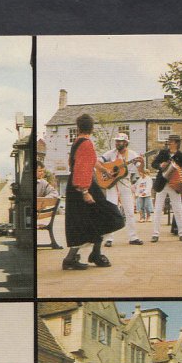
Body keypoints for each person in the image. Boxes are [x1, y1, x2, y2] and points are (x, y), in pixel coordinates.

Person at [61, 114, 125, 270]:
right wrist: (84, 191)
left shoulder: (78, 142)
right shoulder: (86, 143)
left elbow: (88, 161)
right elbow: (81, 168)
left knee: (91, 221)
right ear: (92, 128)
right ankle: (75, 259)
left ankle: (92, 254)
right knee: (109, 216)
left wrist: (105, 170)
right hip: (83, 186)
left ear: (78, 128)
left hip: (79, 185)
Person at [100, 133, 145, 246]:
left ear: (125, 142)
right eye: (116, 141)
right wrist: (106, 170)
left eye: (120, 141)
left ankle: (133, 237)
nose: (117, 143)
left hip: (125, 183)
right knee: (111, 210)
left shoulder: (133, 154)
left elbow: (140, 170)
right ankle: (109, 238)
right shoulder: (111, 153)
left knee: (129, 210)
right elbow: (98, 160)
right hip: (111, 184)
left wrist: (142, 163)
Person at [150, 134, 182, 243]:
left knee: (178, 209)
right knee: (158, 209)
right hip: (162, 183)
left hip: (175, 185)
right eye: (169, 141)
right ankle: (155, 234)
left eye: (172, 141)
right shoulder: (163, 153)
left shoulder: (181, 156)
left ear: (177, 143)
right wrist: (160, 165)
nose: (169, 143)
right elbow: (153, 164)